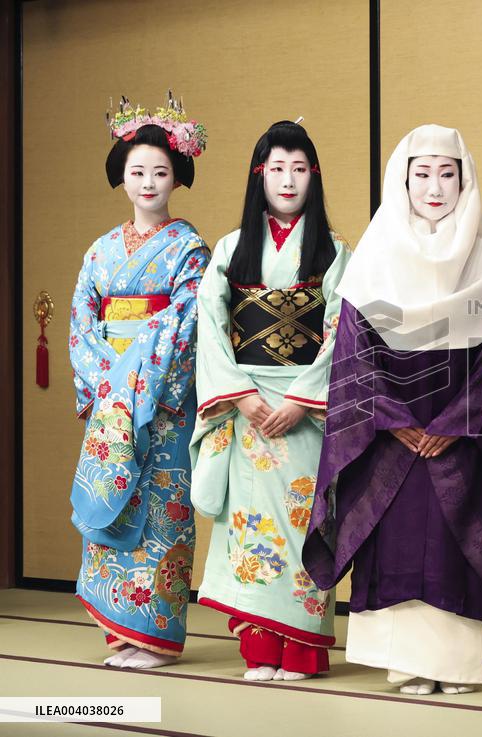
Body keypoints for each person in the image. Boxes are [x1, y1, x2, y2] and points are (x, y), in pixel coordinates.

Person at [303, 124, 482, 696]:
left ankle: (453, 667)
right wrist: (395, 419)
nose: (435, 187)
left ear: (465, 180)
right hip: (390, 434)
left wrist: (455, 423)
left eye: (447, 174)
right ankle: (405, 663)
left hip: (464, 433)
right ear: (402, 181)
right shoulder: (377, 249)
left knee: (456, 543)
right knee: (400, 538)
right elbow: (354, 353)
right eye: (422, 174)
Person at [190, 120, 350, 682]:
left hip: (305, 411)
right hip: (249, 406)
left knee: (304, 522)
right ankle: (260, 649)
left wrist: (304, 399)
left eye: (299, 168)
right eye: (277, 168)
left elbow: (343, 330)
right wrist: (242, 397)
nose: (288, 180)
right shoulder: (233, 248)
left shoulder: (334, 251)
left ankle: (303, 651)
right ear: (259, 176)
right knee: (251, 524)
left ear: (314, 176)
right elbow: (209, 325)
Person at [69, 93, 208, 669]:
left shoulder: (190, 249)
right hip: (114, 400)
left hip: (160, 403)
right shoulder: (99, 252)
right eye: (137, 172)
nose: (148, 182)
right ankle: (119, 632)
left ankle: (155, 637)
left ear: (176, 176)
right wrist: (111, 381)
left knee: (161, 515)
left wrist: (130, 382)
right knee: (114, 508)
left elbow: (186, 321)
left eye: (159, 171)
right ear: (121, 178)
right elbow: (83, 320)